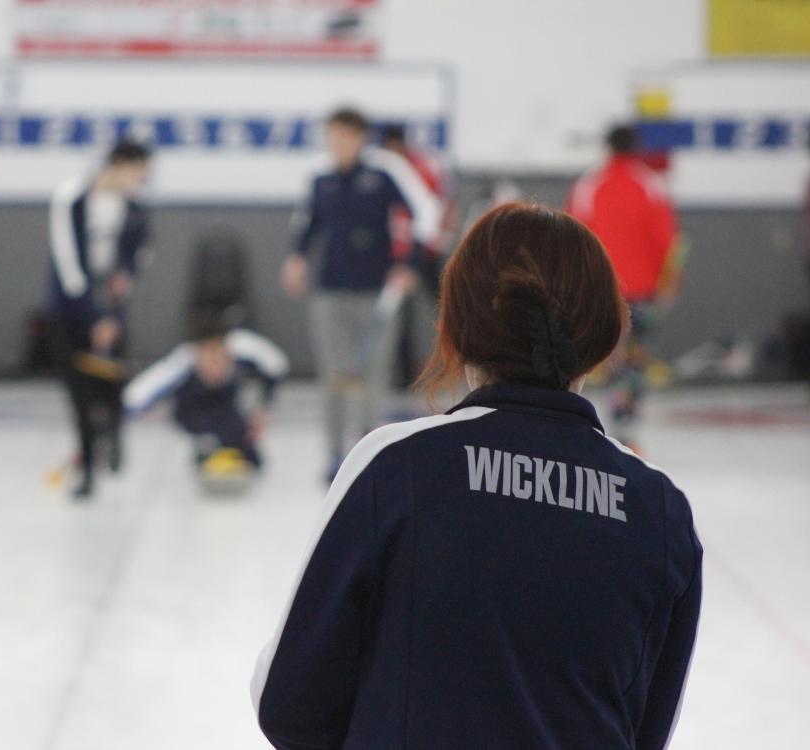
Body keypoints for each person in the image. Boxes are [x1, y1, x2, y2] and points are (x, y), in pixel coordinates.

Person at [253, 203, 702, 750]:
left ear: (459, 326)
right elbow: (644, 731)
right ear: (603, 335)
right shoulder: (660, 510)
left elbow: (288, 704)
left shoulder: (398, 467)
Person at [281, 107, 442, 480]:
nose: (337, 144)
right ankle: (335, 455)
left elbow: (426, 212)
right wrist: (296, 259)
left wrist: (410, 264)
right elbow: (307, 224)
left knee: (373, 373)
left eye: (345, 136)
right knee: (334, 374)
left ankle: (370, 454)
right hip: (330, 292)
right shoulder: (320, 179)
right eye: (332, 136)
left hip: (376, 292)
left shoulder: (384, 174)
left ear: (360, 138)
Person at [566, 124, 682, 449]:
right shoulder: (652, 186)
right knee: (634, 361)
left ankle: (600, 425)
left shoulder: (588, 185)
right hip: (643, 293)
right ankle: (626, 428)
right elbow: (667, 241)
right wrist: (670, 283)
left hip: (602, 291)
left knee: (603, 359)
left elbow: (574, 239)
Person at [48, 140, 152, 499]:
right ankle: (87, 470)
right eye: (137, 174)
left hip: (112, 309)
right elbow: (69, 267)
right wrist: (94, 318)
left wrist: (120, 292)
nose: (140, 182)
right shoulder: (71, 199)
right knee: (79, 393)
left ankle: (115, 435)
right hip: (73, 312)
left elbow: (139, 254)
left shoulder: (135, 208)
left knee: (112, 385)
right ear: (117, 166)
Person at [122, 312, 289, 472]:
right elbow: (136, 395)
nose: (217, 366)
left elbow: (277, 366)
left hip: (226, 405)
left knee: (252, 460)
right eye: (209, 358)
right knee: (209, 445)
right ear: (196, 353)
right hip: (192, 412)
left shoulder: (243, 349)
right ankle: (206, 448)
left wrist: (264, 408)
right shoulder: (181, 364)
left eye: (221, 357)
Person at [380, 123, 455, 389]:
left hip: (426, 248)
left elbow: (442, 203)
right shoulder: (383, 169)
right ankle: (404, 375)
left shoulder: (424, 166)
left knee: (443, 304)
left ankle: (451, 363)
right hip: (396, 253)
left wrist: (439, 237)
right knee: (401, 313)